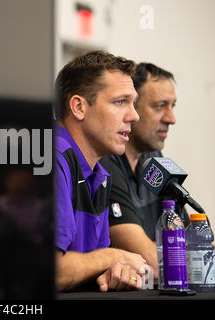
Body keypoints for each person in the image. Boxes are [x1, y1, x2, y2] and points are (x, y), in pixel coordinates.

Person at [54, 50, 148, 292]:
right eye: (120, 102)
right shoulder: (52, 157)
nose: (134, 116)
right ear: (79, 107)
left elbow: (91, 265)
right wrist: (112, 257)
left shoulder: (100, 172)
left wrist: (116, 269)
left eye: (133, 103)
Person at [99, 63, 184, 280]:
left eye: (172, 106)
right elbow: (152, 262)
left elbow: (191, 240)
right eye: (160, 106)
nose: (171, 119)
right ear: (131, 109)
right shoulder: (106, 161)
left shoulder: (154, 158)